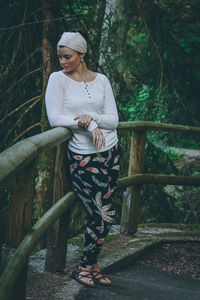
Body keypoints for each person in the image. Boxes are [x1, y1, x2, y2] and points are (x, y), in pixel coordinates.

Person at [45, 30, 121, 288]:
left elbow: (114, 120)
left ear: (82, 55)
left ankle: (93, 263)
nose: (62, 62)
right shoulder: (58, 80)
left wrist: (94, 118)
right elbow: (55, 118)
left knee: (102, 214)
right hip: (83, 157)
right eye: (60, 57)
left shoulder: (101, 80)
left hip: (111, 153)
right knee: (104, 214)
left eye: (67, 57)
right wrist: (87, 125)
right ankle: (84, 267)